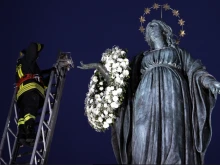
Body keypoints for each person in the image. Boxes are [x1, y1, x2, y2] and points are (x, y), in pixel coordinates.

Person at [78, 20, 220, 164]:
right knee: (141, 135)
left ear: (164, 30)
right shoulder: (140, 58)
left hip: (173, 93)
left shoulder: (178, 52)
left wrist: (209, 81)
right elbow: (120, 85)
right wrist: (100, 68)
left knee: (172, 134)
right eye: (148, 28)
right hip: (145, 97)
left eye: (154, 26)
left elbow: (195, 70)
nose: (150, 29)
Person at [16, 42, 52, 145]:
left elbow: (41, 82)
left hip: (22, 94)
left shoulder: (22, 67)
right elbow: (32, 46)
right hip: (31, 89)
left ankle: (22, 135)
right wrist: (39, 46)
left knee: (23, 116)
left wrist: (51, 73)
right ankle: (30, 132)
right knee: (30, 112)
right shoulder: (26, 60)